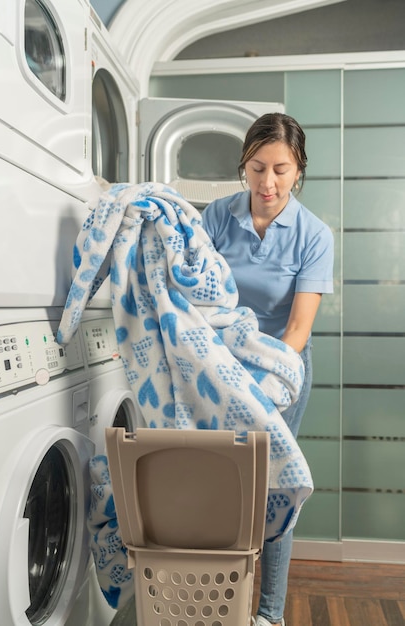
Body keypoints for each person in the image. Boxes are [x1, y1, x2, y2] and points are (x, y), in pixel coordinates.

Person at [202, 112, 334, 626]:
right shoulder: (216, 216)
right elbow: (191, 289)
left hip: (281, 371)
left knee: (272, 487)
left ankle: (269, 614)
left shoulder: (313, 235)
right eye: (257, 168)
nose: (268, 182)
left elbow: (298, 330)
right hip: (216, 365)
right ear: (244, 165)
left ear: (298, 170)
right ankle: (213, 601)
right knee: (215, 483)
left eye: (281, 169)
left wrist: (260, 386)